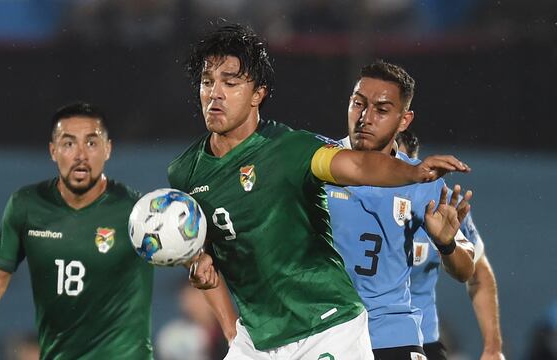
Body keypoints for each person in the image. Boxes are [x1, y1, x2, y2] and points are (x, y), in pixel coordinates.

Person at [169, 23, 469, 359]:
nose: (215, 94)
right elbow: (205, 263)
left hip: (326, 329)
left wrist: (413, 172)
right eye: (207, 82)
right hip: (257, 339)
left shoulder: (291, 149)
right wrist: (228, 325)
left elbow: (357, 166)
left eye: (230, 82)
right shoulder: (184, 173)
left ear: (258, 94)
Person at [0, 102, 154, 359]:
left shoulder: (137, 211)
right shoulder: (27, 206)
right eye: (69, 144)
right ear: (53, 150)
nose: (81, 154)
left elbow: (185, 255)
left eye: (91, 143)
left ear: (108, 149)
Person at [324, 60, 476, 360]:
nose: (364, 118)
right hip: (324, 329)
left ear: (404, 120)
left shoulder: (425, 181)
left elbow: (465, 270)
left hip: (389, 331)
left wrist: (446, 244)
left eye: (381, 110)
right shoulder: (316, 162)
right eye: (358, 104)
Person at [397, 129, 505, 360]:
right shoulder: (346, 198)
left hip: (421, 342)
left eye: (407, 167)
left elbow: (477, 273)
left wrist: (492, 348)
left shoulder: (439, 207)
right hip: (354, 336)